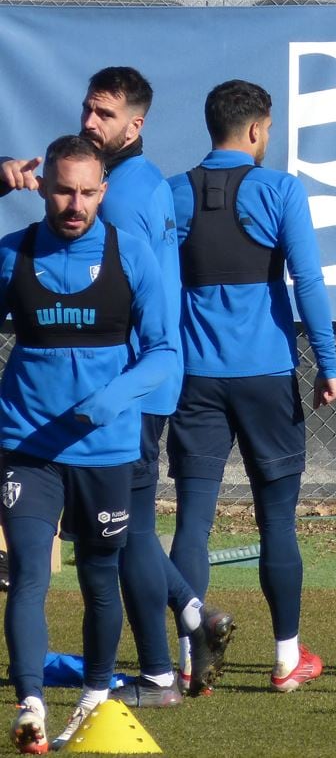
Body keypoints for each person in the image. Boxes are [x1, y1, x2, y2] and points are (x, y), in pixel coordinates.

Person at [1, 67, 234, 705]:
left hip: (117, 400)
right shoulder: (143, 181)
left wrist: (109, 394)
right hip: (93, 401)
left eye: (104, 116)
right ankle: (190, 618)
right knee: (116, 537)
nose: (88, 123)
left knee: (117, 542)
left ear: (135, 127)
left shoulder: (124, 199)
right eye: (86, 110)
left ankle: (160, 670)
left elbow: (133, 309)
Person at [0, 135, 176, 754]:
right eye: (63, 190)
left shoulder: (131, 255)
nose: (75, 204)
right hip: (28, 446)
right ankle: (30, 705)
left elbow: (163, 353)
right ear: (43, 187)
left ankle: (96, 696)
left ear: (103, 189)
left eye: (87, 191)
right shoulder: (13, 254)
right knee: (27, 572)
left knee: (100, 577)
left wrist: (107, 402)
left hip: (106, 451)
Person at [167, 79, 336, 693]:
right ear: (255, 130)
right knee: (277, 522)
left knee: (193, 522)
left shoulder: (172, 193)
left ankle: (189, 659)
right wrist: (328, 362)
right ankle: (287, 659)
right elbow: (309, 283)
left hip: (194, 378)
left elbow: (154, 289)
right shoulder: (280, 189)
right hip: (266, 378)